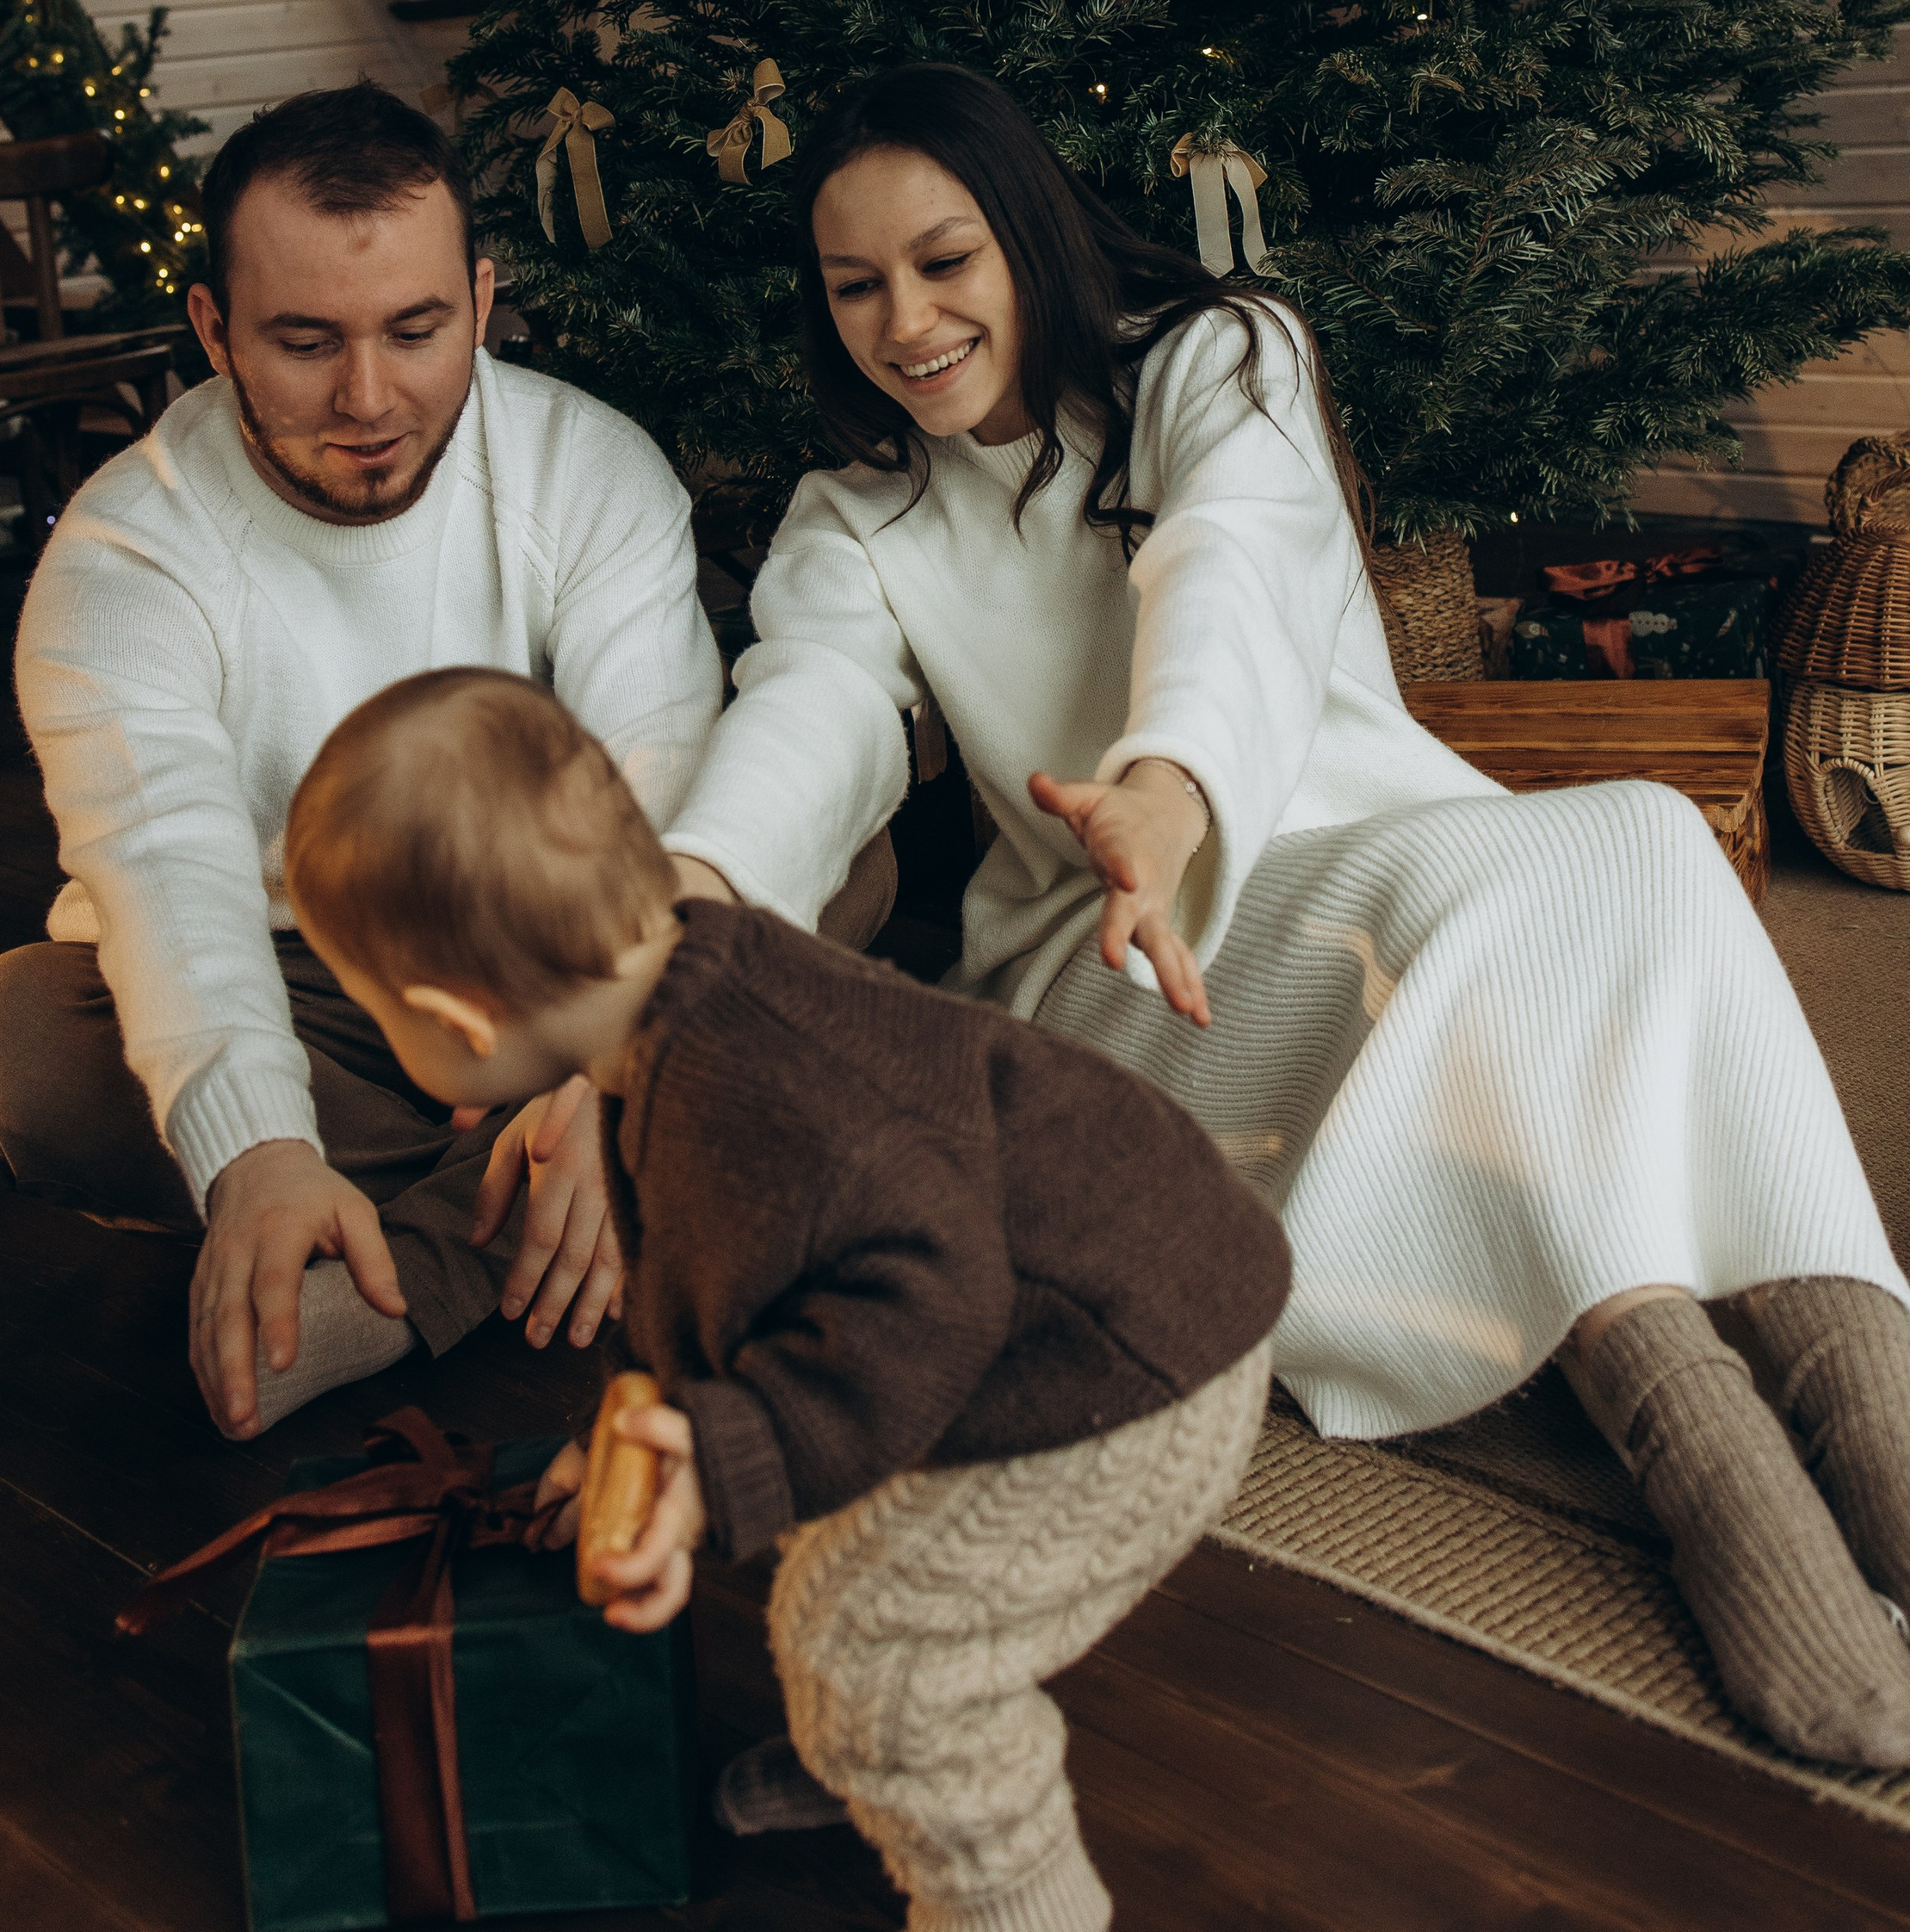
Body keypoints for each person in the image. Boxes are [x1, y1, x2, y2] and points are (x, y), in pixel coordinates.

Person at [652, 61, 1910, 1778]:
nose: (905, 321)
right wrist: (693, 904)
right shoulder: (854, 516)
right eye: (855, 285)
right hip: (1117, 969)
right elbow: (807, 716)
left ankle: (1884, 1443)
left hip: (1338, 845)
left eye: (944, 261)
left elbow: (1232, 564)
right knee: (1495, 915)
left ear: (1026, 235)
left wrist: (1168, 783)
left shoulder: (1221, 353)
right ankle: (1701, 1452)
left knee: (1629, 844)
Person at [281, 666, 1289, 1932]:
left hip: (1132, 1355)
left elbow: (926, 1300)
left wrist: (717, 1454)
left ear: (454, 1019)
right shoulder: (677, 995)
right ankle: (867, 1754)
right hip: (1057, 1287)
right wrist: (638, 1431)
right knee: (841, 1541)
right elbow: (706, 1273)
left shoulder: (749, 1094)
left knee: (879, 1648)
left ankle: (1001, 1877)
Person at [0, 82, 727, 1442]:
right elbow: (169, 878)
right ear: (214, 330)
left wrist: (610, 1066)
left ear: (480, 300)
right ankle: (614, 1187)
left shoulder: (591, 472)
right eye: (305, 342)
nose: (369, 398)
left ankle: (404, 1278)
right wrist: (257, 1145)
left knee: (831, 858)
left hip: (557, 959)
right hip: (302, 988)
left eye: (416, 331)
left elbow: (667, 802)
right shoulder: (122, 557)